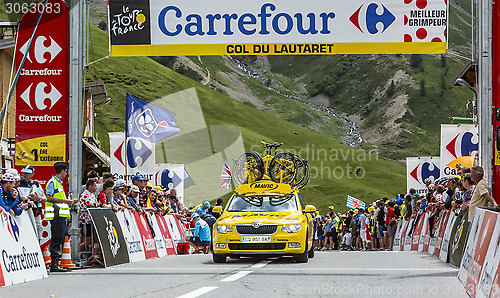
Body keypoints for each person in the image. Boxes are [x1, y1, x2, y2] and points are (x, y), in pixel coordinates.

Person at [45, 162, 73, 272]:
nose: (66, 174)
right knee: (57, 238)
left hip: (60, 214)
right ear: (62, 171)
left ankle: (56, 263)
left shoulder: (58, 183)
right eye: (65, 171)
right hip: (55, 214)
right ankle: (54, 264)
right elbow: (48, 197)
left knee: (61, 237)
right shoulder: (52, 182)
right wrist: (64, 201)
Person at [79, 180, 98, 252]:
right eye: (95, 186)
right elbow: (91, 205)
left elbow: (96, 203)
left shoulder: (92, 194)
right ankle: (76, 251)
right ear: (90, 186)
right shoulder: (85, 194)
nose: (96, 188)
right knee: (88, 240)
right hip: (85, 220)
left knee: (90, 239)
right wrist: (96, 205)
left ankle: (85, 253)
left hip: (90, 220)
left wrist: (96, 205)